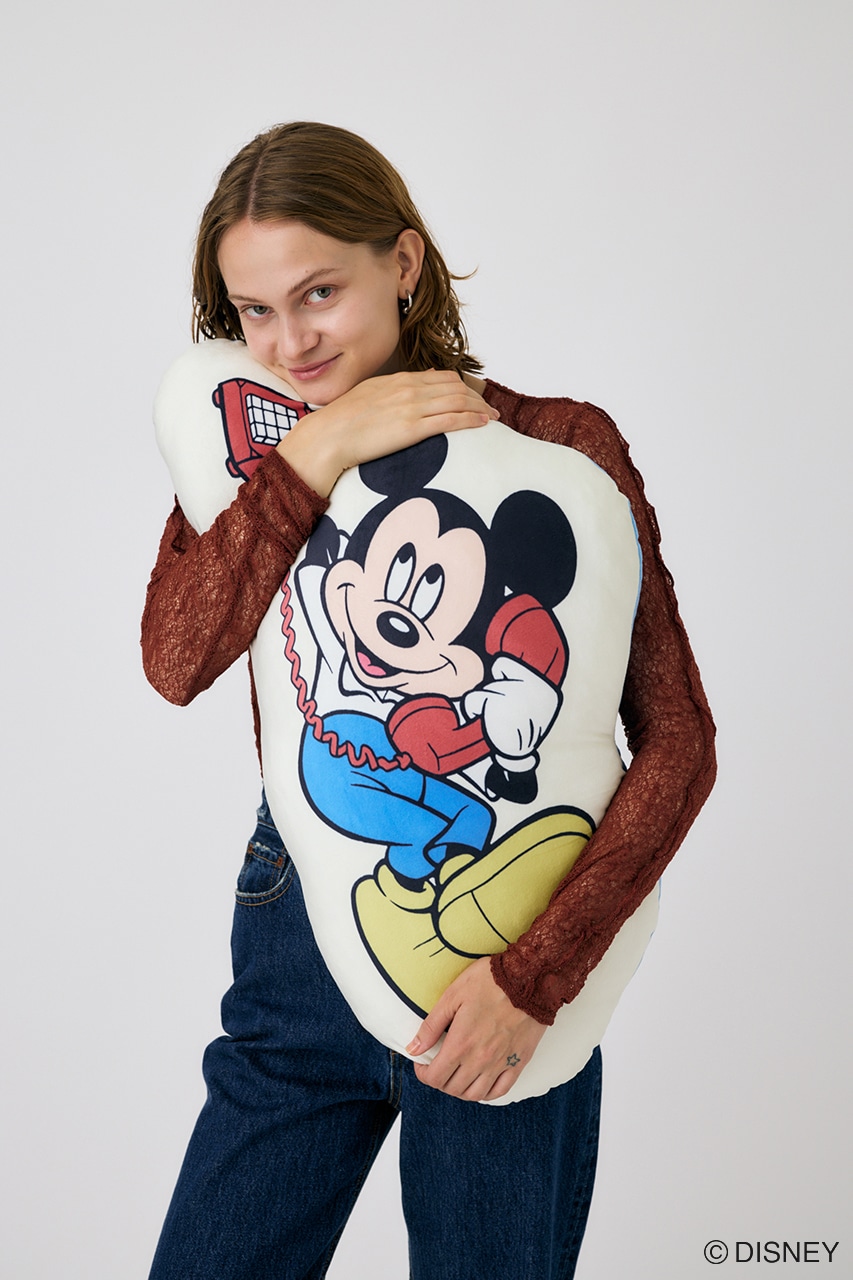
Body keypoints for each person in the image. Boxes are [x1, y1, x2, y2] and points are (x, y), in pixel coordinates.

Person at [142, 121, 716, 1279]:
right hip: (298, 938)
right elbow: (177, 658)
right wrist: (320, 452)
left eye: (319, 292)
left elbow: (678, 743)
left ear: (402, 262)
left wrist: (534, 976)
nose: (290, 340)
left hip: (508, 944)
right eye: (255, 310)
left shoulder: (559, 446)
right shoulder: (254, 459)